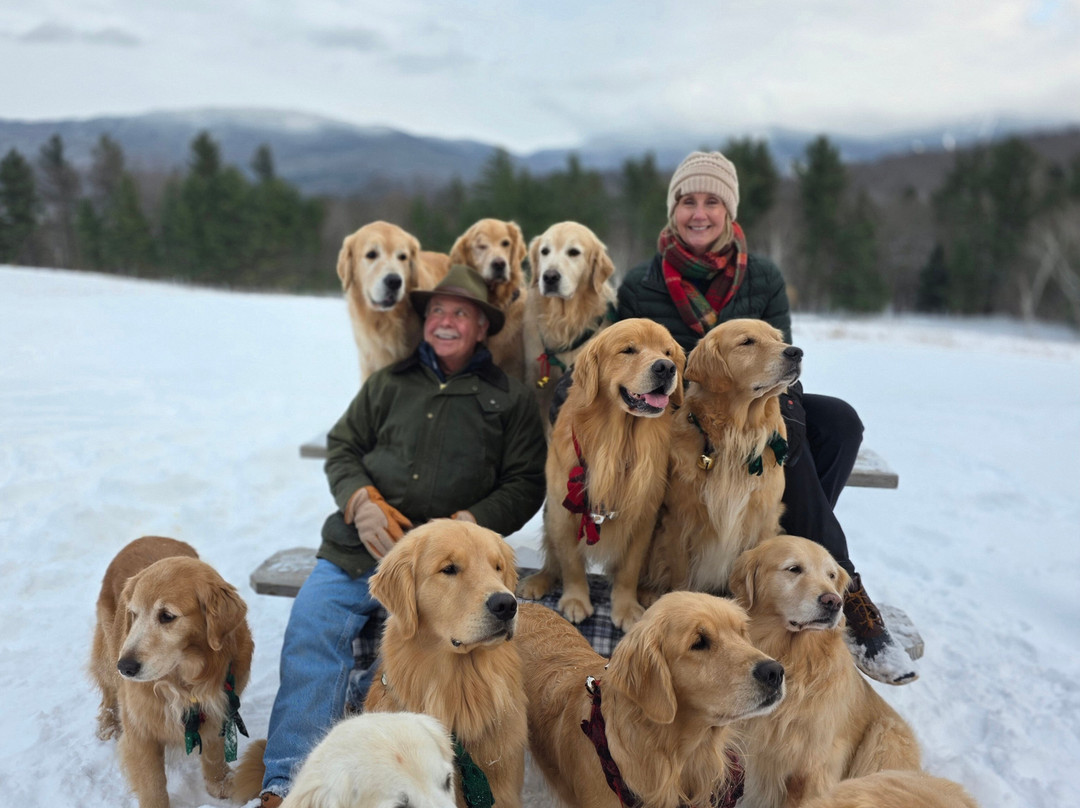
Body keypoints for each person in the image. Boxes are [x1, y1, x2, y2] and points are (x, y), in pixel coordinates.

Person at [617, 151, 917, 686]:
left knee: (833, 423)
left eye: (713, 201)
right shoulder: (642, 284)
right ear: (673, 212)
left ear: (729, 212)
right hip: (677, 406)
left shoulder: (763, 276)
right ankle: (812, 579)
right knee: (782, 447)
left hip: (758, 399)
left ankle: (802, 564)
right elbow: (626, 355)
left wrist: (765, 422)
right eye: (689, 201)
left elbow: (779, 359)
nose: (700, 213)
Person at [258, 264, 547, 807]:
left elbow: (527, 481)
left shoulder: (508, 400)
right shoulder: (388, 384)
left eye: (460, 313)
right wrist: (359, 502)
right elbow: (342, 448)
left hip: (452, 561)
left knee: (435, 656)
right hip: (356, 549)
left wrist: (473, 520)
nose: (444, 321)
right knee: (313, 632)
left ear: (482, 328)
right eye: (436, 311)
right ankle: (286, 788)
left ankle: (439, 779)